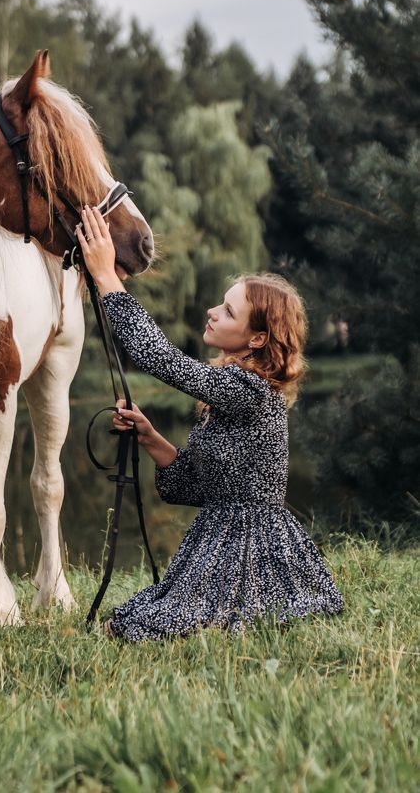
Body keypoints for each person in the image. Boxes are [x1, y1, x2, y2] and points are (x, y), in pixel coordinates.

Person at [76, 205, 344, 641]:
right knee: (137, 618)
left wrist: (106, 279)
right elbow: (194, 486)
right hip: (219, 540)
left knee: (154, 625)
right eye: (222, 304)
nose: (214, 312)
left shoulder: (249, 390)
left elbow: (161, 360)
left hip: (249, 548)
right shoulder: (231, 394)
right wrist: (150, 438)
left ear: (257, 339)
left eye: (229, 311)